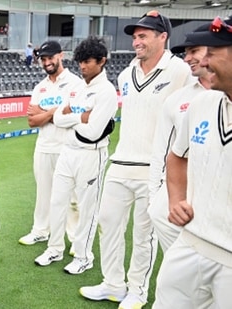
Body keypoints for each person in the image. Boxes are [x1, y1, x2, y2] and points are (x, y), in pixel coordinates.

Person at [79, 11, 191, 309]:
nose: (136, 41)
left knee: (144, 233)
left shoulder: (179, 71)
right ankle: (113, 284)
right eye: (135, 36)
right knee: (108, 223)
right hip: (120, 162)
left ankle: (137, 290)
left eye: (143, 35)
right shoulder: (125, 73)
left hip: (154, 169)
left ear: (163, 37)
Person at [152, 16, 232, 308]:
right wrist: (175, 200)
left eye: (213, 53)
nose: (204, 61)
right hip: (190, 243)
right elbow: (176, 157)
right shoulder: (202, 104)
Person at [34, 36, 118, 274]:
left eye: (87, 62)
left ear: (101, 61)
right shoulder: (78, 87)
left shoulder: (107, 91)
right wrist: (80, 117)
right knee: (57, 201)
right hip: (67, 152)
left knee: (86, 207)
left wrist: (70, 119)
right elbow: (59, 118)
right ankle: (55, 248)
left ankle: (83, 256)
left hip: (91, 154)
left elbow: (92, 132)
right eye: (80, 61)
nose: (82, 66)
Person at [147, 24, 212, 253]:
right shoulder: (178, 100)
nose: (187, 58)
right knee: (180, 260)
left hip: (218, 194)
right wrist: (155, 196)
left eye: (194, 51)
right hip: (181, 190)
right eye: (186, 53)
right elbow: (164, 152)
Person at [18, 41, 81, 247]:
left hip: (68, 147)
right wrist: (55, 111)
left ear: (60, 56)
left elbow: (74, 115)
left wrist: (45, 114)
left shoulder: (75, 83)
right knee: (43, 193)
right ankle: (40, 231)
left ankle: (74, 237)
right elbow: (31, 121)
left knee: (72, 196)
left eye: (50, 58)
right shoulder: (40, 87)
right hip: (44, 147)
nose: (46, 62)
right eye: (43, 59)